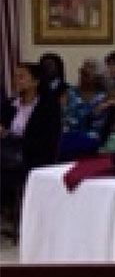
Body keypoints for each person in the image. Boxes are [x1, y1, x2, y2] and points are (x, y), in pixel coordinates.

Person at [1, 63, 61, 210]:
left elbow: (47, 140)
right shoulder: (11, 104)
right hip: (8, 153)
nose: (16, 81)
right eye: (15, 77)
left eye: (21, 77)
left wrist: (11, 137)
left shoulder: (47, 107)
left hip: (33, 156)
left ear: (36, 81)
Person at [58, 58, 109, 160]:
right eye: (81, 73)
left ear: (98, 78)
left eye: (86, 75)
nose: (82, 77)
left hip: (91, 137)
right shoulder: (70, 92)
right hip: (67, 134)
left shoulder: (104, 96)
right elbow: (57, 112)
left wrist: (106, 104)